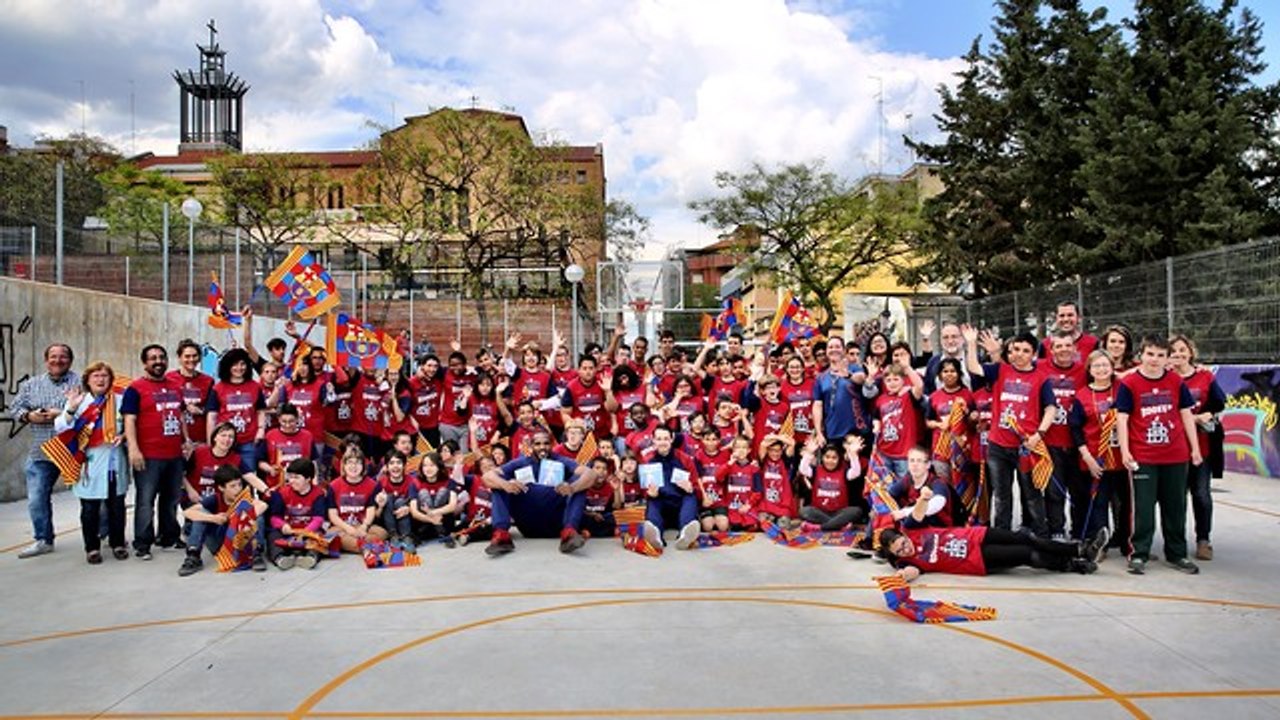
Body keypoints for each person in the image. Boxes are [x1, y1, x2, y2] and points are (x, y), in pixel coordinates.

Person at [1116, 335, 1202, 575]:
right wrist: (1125, 450)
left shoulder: (1175, 381)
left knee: (1176, 507)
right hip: (1143, 456)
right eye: (1150, 354)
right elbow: (1122, 419)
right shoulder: (1130, 383)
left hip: (1175, 455)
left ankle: (1177, 553)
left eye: (1160, 355)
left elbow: (1186, 414)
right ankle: (1138, 553)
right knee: (1143, 509)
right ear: (1141, 355)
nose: (1154, 359)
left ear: (1167, 359)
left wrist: (1194, 448)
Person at [963, 325, 1057, 537]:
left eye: (1025, 351)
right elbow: (974, 367)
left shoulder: (1041, 378)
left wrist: (1039, 435)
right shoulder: (1001, 370)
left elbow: (1051, 408)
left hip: (1026, 445)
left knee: (1032, 494)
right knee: (1001, 495)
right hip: (998, 445)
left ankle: (1041, 535)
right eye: (1015, 350)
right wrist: (971, 343)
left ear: (1034, 354)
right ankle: (1002, 537)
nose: (1019, 354)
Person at [481, 430, 599, 556]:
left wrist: (572, 488)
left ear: (552, 445)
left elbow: (591, 474)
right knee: (498, 482)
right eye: (537, 444)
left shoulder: (561, 461)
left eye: (546, 443)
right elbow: (487, 476)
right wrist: (506, 485)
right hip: (528, 522)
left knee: (580, 481)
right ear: (531, 446)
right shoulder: (520, 462)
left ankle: (569, 532)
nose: (542, 447)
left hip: (555, 522)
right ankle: (501, 535)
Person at [55, 360, 127, 564]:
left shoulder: (119, 400)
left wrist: (123, 437)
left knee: (117, 506)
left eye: (104, 376)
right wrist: (71, 408)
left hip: (114, 461)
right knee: (89, 509)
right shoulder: (80, 401)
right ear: (87, 380)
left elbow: (130, 426)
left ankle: (118, 543)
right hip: (90, 462)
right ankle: (92, 547)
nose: (100, 380)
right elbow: (61, 428)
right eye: (96, 376)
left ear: (111, 379)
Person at [11, 343, 79, 558]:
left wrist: (63, 414)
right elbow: (15, 408)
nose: (58, 360)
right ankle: (43, 539)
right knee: (37, 498)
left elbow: (92, 411)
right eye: (53, 356)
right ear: (46, 359)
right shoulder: (31, 385)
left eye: (63, 357)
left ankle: (104, 533)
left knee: (94, 495)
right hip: (41, 451)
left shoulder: (81, 383)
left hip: (74, 451)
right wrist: (28, 416)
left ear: (70, 360)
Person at [123, 344, 188, 560]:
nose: (158, 361)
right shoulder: (135, 389)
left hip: (174, 455)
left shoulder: (176, 386)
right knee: (146, 501)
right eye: (153, 358)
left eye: (161, 357)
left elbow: (180, 415)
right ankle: (143, 543)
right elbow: (129, 420)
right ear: (145, 363)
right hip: (148, 455)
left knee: (171, 499)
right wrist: (133, 449)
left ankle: (168, 536)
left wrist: (186, 441)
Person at [1168, 334, 1226, 561]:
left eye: (1182, 350)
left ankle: (1203, 540)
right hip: (1175, 448)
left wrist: (1207, 415)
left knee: (1201, 495)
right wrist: (1190, 419)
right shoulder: (1165, 378)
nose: (1178, 355)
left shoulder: (1205, 376)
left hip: (1202, 448)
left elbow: (1219, 402)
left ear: (1191, 352)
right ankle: (1177, 541)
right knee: (1177, 498)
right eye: (1173, 351)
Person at [1068, 350, 1128, 550]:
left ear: (1112, 368)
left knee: (1124, 503)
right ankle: (1100, 543)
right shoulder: (1082, 395)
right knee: (1099, 502)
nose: (1101, 369)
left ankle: (1126, 542)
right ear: (1089, 369)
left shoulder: (1123, 389)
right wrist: (1087, 458)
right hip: (1096, 458)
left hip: (1121, 456)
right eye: (1096, 366)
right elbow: (1075, 429)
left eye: (1105, 365)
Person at [1040, 332, 1088, 541]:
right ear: (1051, 350)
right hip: (1051, 440)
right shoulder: (1041, 368)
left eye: (1068, 345)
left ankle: (1079, 531)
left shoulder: (1084, 370)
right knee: (1054, 490)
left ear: (1075, 349)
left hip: (1077, 441)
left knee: (1079, 490)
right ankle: (1056, 530)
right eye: (1058, 346)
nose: (1064, 350)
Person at [179, 465, 269, 576]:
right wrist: (214, 518)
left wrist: (236, 517)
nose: (238, 489)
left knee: (258, 517)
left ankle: (256, 554)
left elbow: (263, 505)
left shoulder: (244, 498)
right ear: (221, 488)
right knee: (201, 515)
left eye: (239, 484)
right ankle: (193, 555)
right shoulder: (215, 499)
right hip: (220, 542)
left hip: (240, 542)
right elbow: (187, 512)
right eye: (232, 486)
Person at [638, 426, 702, 550]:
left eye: (666, 439)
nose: (662, 442)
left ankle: (685, 533)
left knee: (690, 497)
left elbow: (695, 485)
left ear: (672, 439)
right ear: (653, 440)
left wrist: (690, 488)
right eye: (659, 439)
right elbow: (643, 490)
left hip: (681, 503)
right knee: (652, 501)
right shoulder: (647, 461)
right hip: (661, 502)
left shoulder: (685, 458)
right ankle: (655, 535)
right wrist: (650, 493)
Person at [207, 348, 267, 475]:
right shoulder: (218, 388)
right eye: (234, 364)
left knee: (249, 476)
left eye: (242, 364)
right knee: (225, 477)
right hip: (224, 441)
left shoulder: (255, 387)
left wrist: (261, 430)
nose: (239, 368)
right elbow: (212, 416)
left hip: (249, 441)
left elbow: (261, 410)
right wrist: (211, 442)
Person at [266, 457, 329, 570]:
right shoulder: (282, 492)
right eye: (290, 477)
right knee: (273, 536)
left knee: (318, 537)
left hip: (308, 531)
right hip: (288, 531)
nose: (292, 481)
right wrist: (283, 525)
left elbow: (318, 519)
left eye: (296, 477)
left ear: (308, 478)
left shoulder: (318, 494)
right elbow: (274, 517)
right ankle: (280, 558)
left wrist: (305, 532)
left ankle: (311, 557)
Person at [798, 436, 865, 531]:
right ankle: (839, 525)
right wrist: (809, 453)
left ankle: (819, 527)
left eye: (834, 458)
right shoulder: (816, 470)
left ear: (839, 459)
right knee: (804, 511)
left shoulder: (844, 472)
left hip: (839, 512)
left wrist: (853, 454)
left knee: (857, 511)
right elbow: (803, 469)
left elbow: (856, 472)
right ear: (822, 458)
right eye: (827, 457)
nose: (830, 461)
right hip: (819, 511)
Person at [326, 447, 384, 554]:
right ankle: (365, 547)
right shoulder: (333, 486)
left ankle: (361, 545)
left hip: (362, 525)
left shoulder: (372, 485)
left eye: (358, 463)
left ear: (363, 466)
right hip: (342, 526)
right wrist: (348, 529)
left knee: (382, 533)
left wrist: (364, 527)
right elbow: (332, 515)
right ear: (344, 465)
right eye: (350, 462)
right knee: (332, 536)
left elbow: (370, 509)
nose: (354, 466)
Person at [168, 338, 215, 450]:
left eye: (194, 356)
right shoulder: (169, 378)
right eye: (187, 356)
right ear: (179, 358)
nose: (191, 359)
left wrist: (200, 411)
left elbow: (213, 410)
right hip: (176, 438)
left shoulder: (208, 381)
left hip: (200, 438)